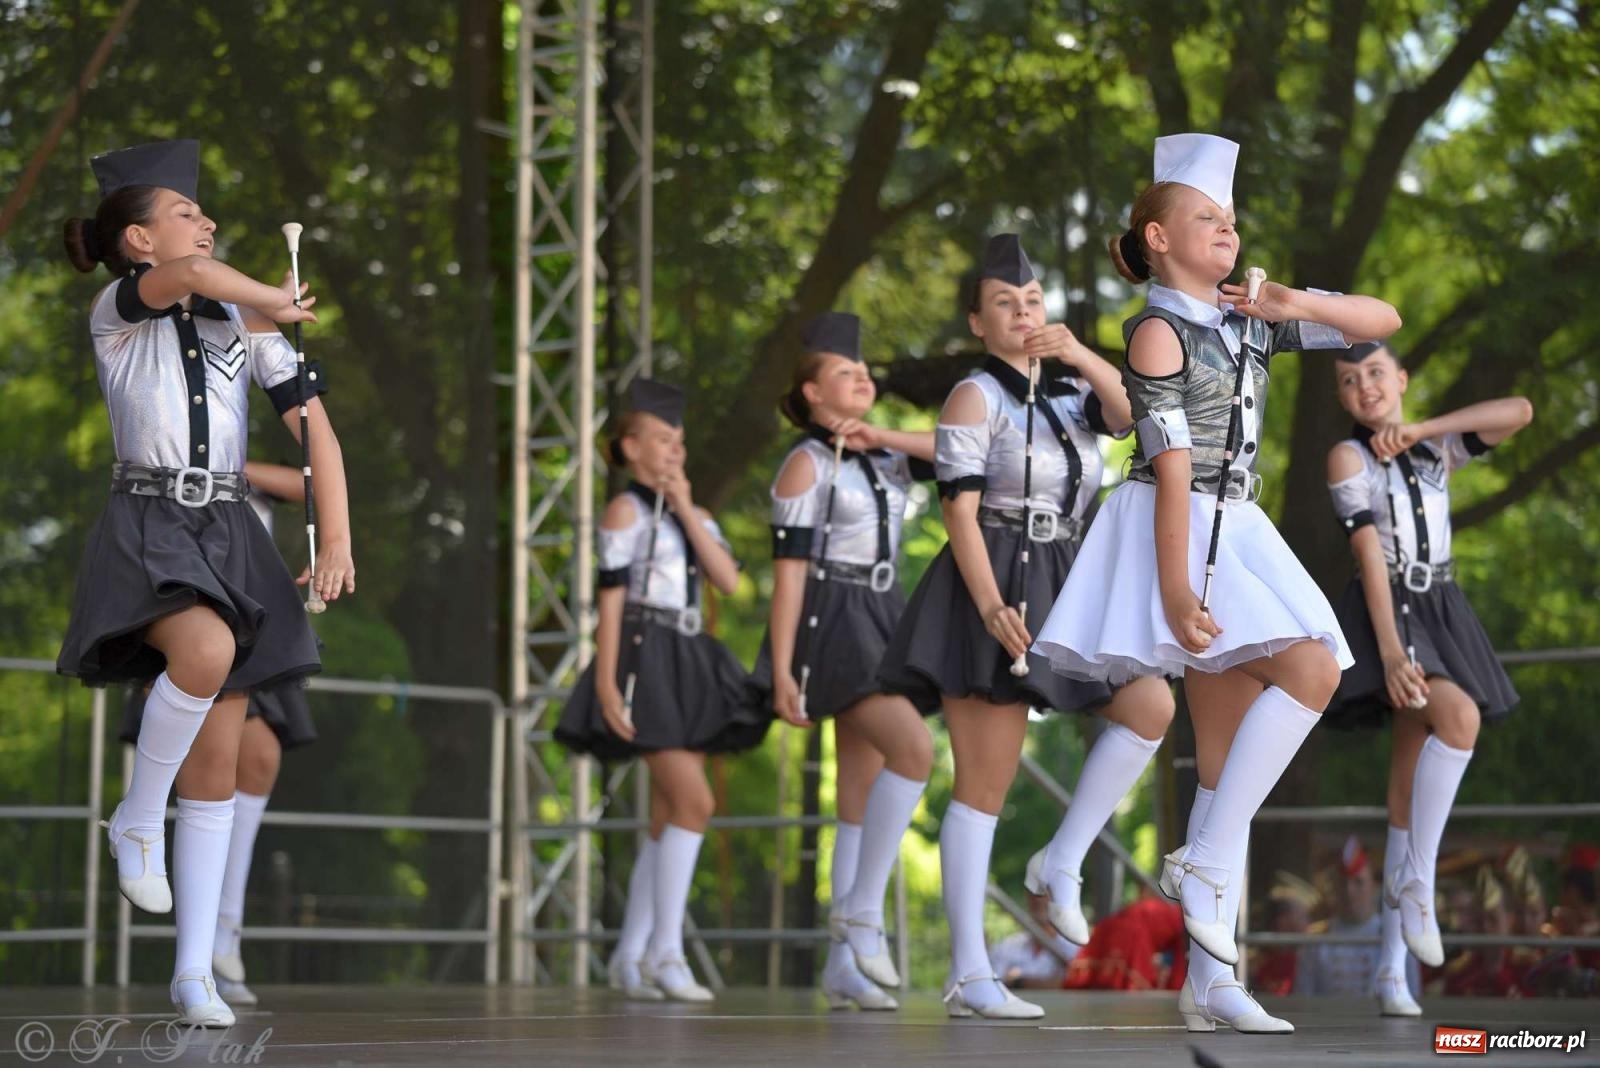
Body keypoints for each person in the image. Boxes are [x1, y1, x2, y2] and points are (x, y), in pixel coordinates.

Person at [1032, 132, 1401, 1034]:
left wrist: (1287, 298)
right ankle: (1198, 864)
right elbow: (1167, 467)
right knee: (1314, 670)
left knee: (1226, 760)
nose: (1226, 231)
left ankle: (1209, 978)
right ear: (1157, 238)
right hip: (1185, 526)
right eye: (1205, 218)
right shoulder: (1159, 330)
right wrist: (1172, 588)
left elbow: (1379, 319)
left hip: (1238, 525)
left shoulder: (1253, 318)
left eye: (1232, 219)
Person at [57, 140, 353, 1026]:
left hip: (228, 530)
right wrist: (270, 296)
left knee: (219, 760)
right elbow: (195, 277)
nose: (207, 221)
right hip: (149, 523)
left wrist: (335, 535)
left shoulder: (245, 328)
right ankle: (136, 819)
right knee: (206, 649)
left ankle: (195, 973)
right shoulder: (121, 309)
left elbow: (317, 435)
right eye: (187, 212)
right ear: (140, 241)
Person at [878, 234, 1173, 1019]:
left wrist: (1079, 349)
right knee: (985, 782)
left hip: (1073, 571)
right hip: (997, 572)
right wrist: (987, 606)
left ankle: (1062, 858)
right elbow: (958, 510)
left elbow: (1137, 420)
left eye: (1033, 301)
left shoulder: (1075, 390)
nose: (1022, 313)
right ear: (978, 321)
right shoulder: (975, 395)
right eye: (1004, 304)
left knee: (1151, 705)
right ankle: (971, 972)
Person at [1324, 340, 1531, 1014]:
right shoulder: (1347, 457)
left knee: (1405, 794)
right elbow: (1366, 556)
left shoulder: (1435, 451)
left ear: (1403, 379)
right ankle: (1418, 884)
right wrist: (1387, 652)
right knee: (1459, 718)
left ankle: (1390, 971)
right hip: (1392, 610)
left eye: (1377, 374)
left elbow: (1520, 411)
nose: (1365, 388)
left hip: (1443, 606)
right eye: (1350, 380)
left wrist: (1424, 428)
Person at [554, 378, 766, 1002]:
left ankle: (631, 956)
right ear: (629, 446)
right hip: (647, 656)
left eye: (679, 440)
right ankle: (666, 954)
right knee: (694, 802)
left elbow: (727, 580)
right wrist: (609, 682)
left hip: (691, 655)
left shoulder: (692, 513)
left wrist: (688, 507)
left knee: (671, 811)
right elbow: (611, 604)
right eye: (662, 439)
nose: (674, 449)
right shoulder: (625, 511)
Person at [752, 312, 936, 1011]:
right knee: (913, 752)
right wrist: (780, 667)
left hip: (886, 616)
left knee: (856, 800)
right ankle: (860, 913)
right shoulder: (804, 463)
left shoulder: (884, 454)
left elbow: (962, 451)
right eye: (841, 372)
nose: (860, 376)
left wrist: (880, 434)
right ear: (810, 396)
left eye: (862, 370)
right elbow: (789, 574)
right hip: (835, 618)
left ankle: (842, 964)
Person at [116, 461, 318, 1007]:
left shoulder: (242, 460)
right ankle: (200, 953)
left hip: (249, 617)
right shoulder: (157, 452)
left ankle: (220, 939)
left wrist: (229, 463)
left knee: (258, 759)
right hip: (189, 610)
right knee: (224, 765)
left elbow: (315, 480)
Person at [989, 891, 1079, 990]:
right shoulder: (1006, 946)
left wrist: (1020, 982)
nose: (1038, 900)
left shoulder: (1076, 948)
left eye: (1045, 895)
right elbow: (993, 985)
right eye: (1032, 894)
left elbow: (1078, 984)